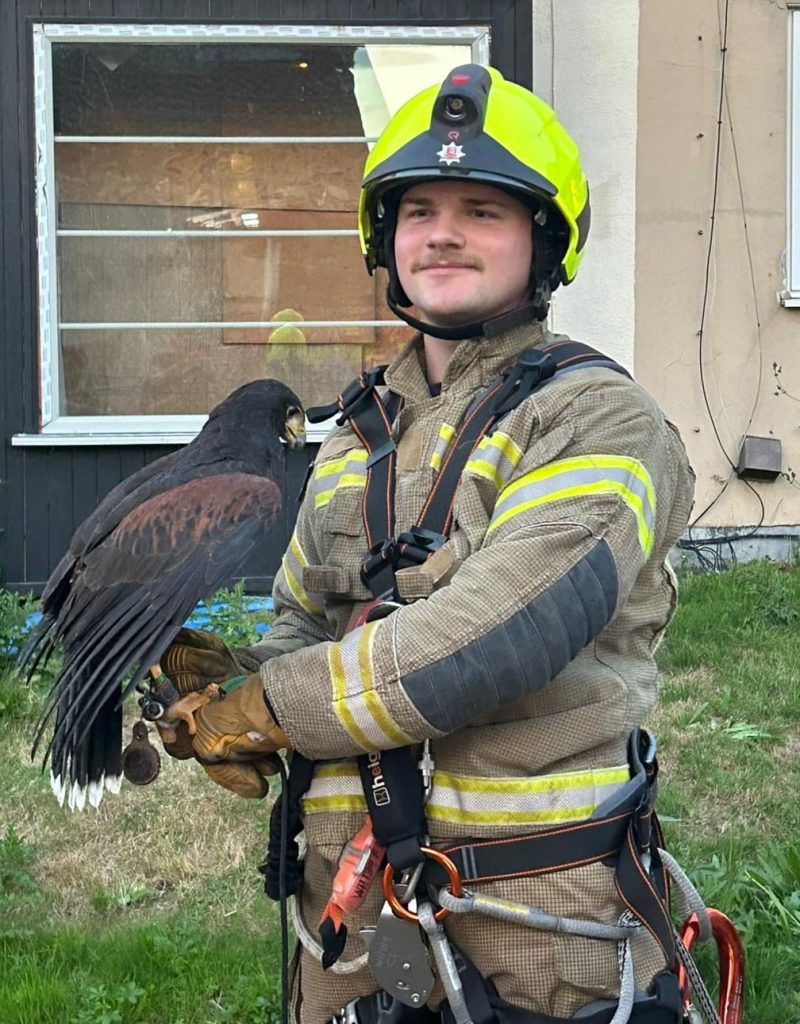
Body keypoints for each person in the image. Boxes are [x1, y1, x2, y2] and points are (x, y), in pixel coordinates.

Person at [157, 65, 695, 1024]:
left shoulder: (602, 421)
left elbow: (498, 636)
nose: (442, 232)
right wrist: (222, 678)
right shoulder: (354, 435)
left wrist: (267, 704)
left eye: (483, 210)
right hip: (348, 922)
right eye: (418, 211)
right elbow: (304, 623)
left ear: (544, 241)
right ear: (386, 239)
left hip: (543, 926)